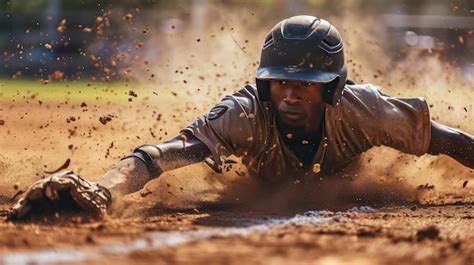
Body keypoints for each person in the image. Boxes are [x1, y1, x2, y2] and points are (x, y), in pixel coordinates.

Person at [8, 15, 474, 220]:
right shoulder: (244, 114)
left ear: (332, 86)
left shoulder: (365, 110)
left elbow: (446, 140)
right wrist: (104, 190)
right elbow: (160, 157)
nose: (290, 93)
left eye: (306, 83)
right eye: (280, 81)